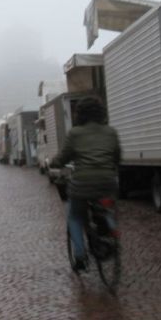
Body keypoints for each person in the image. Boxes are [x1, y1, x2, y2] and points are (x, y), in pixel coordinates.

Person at [49, 95, 121, 271]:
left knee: (74, 217)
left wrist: (54, 163)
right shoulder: (111, 132)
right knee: (108, 209)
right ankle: (112, 231)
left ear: (79, 114)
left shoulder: (75, 133)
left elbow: (63, 157)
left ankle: (80, 256)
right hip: (107, 182)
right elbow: (117, 157)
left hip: (82, 184)